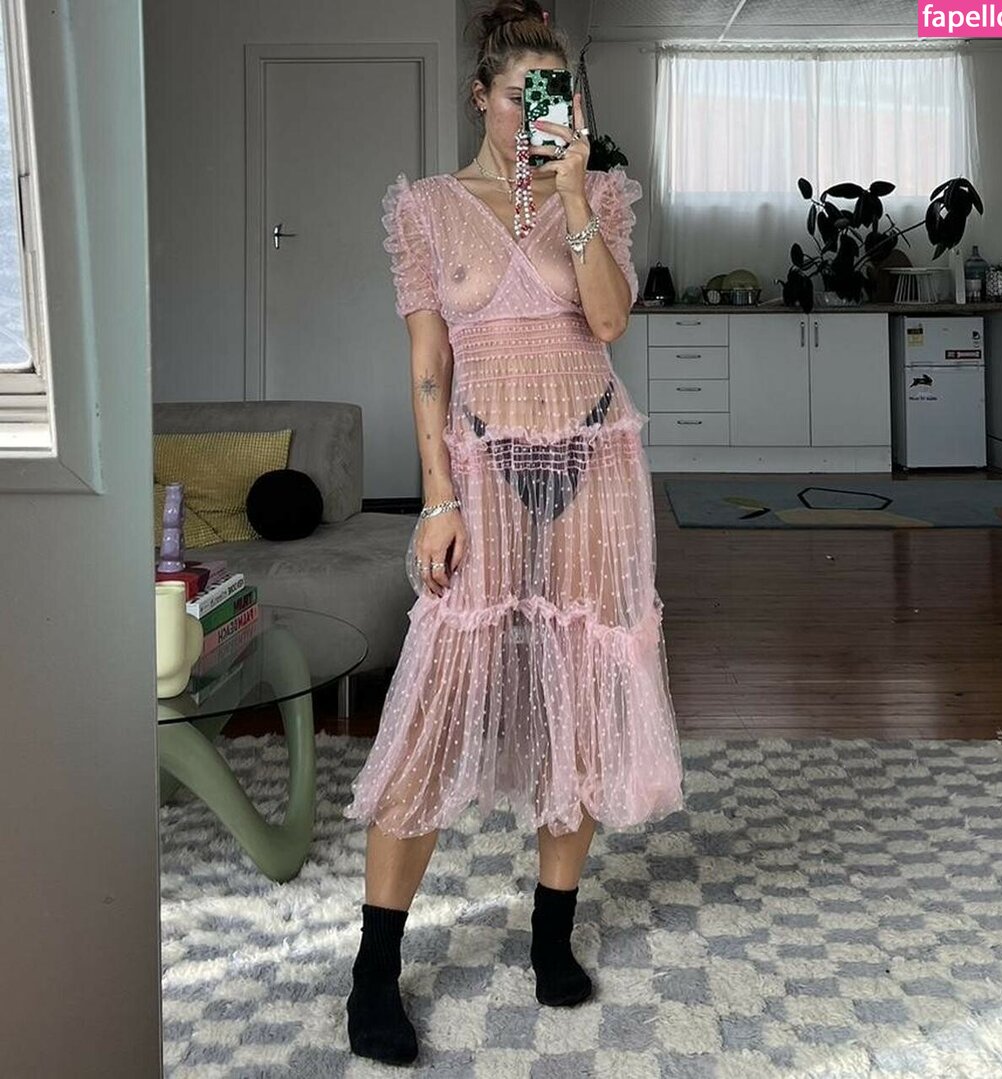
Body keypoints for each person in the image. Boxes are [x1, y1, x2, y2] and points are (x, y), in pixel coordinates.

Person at [342, 0, 685, 1065]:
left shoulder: (602, 194)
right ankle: (373, 969)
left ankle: (550, 933)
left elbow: (610, 319)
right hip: (482, 465)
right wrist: (435, 497)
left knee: (578, 691)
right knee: (435, 704)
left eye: (556, 93)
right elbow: (428, 365)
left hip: (593, 457)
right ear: (480, 97)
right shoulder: (427, 209)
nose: (539, 111)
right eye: (519, 93)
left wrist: (575, 194)